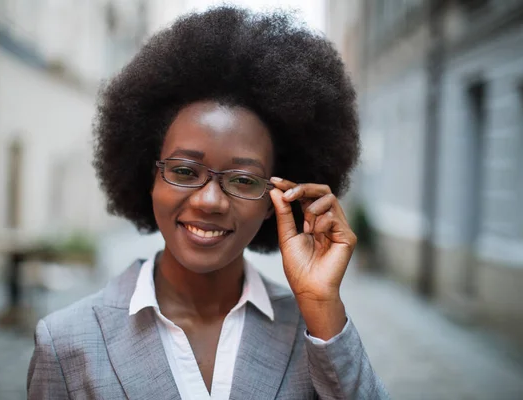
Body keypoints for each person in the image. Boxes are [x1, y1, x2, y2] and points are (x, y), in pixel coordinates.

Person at [27, 6, 389, 399]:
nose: (210, 201)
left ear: (276, 200)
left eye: (243, 179)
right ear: (149, 177)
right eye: (184, 171)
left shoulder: (319, 334)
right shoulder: (65, 344)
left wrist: (322, 305)